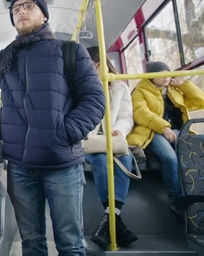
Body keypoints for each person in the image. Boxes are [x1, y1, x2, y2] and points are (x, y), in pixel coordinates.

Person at [0, 0, 106, 255]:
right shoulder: (5, 60)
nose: (20, 11)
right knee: (31, 242)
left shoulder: (70, 52)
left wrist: (64, 134)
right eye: (15, 8)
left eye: (28, 6)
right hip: (20, 168)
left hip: (62, 164)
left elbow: (95, 100)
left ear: (44, 14)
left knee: (70, 243)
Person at [127, 61, 204, 212]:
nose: (165, 77)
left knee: (197, 150)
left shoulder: (173, 90)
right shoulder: (140, 91)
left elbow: (200, 101)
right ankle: (176, 199)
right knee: (169, 158)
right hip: (152, 132)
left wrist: (183, 86)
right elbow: (141, 113)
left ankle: (197, 193)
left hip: (177, 131)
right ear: (151, 77)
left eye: (167, 73)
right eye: (160, 74)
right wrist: (163, 127)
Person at [85, 46, 138, 250]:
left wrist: (118, 131)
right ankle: (115, 223)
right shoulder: (80, 86)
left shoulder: (119, 86)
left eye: (96, 64)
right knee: (100, 160)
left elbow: (126, 116)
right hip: (91, 141)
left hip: (113, 139)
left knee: (124, 161)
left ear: (101, 63)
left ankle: (109, 220)